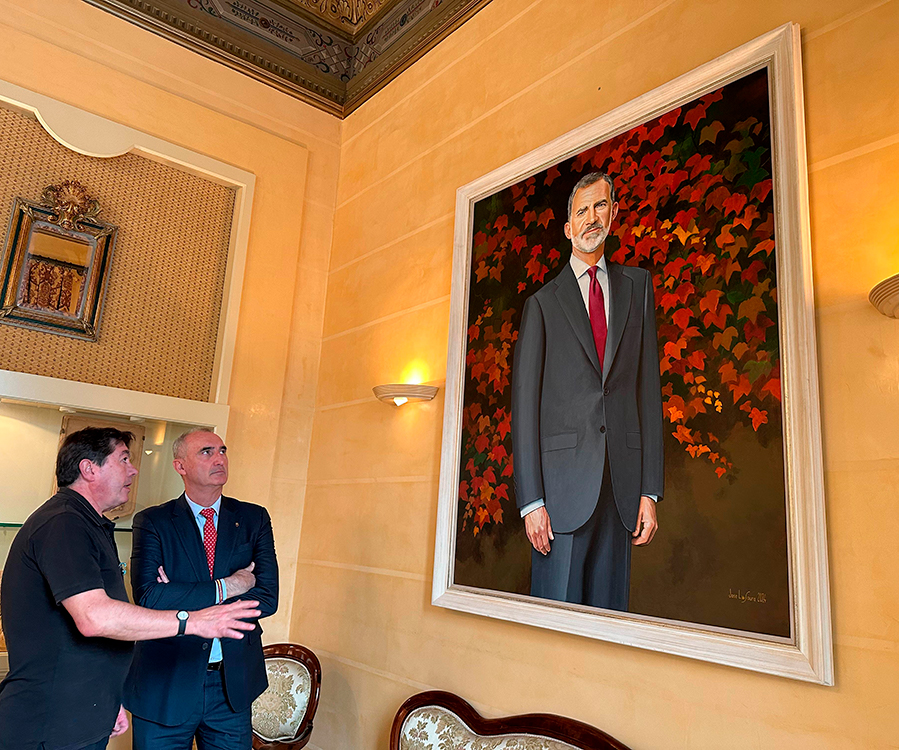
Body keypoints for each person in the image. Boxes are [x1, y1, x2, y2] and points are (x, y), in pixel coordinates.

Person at [0, 427, 261, 750]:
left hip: (80, 714)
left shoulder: (89, 524)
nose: (134, 470)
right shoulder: (63, 523)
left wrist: (107, 698)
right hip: (49, 723)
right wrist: (194, 620)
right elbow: (95, 617)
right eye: (124, 459)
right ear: (89, 469)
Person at [511, 171, 665, 612]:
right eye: (582, 210)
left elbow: (648, 393)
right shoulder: (542, 305)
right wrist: (531, 502)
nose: (591, 217)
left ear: (613, 214)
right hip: (559, 499)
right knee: (555, 629)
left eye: (600, 206)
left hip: (622, 492)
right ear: (568, 228)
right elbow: (524, 409)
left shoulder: (638, 288)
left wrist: (650, 491)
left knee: (609, 626)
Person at [124, 428, 279, 749]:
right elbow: (149, 596)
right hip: (166, 681)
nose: (219, 459)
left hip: (231, 686)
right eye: (206, 452)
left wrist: (179, 593)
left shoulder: (254, 518)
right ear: (180, 466)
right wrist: (231, 585)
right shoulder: (153, 521)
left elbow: (267, 596)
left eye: (222, 450)